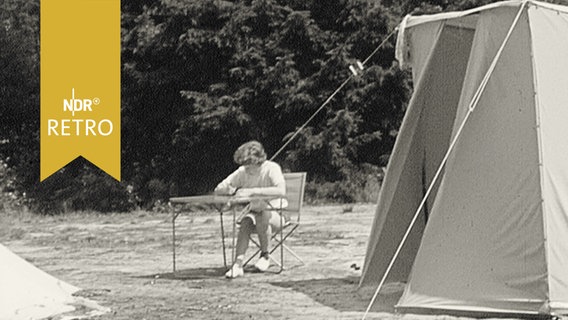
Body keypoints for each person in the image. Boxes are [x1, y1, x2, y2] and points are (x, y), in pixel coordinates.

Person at [214, 140, 287, 278]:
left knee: (262, 215)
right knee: (246, 221)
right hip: (255, 215)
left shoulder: (272, 168)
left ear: (257, 161)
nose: (245, 168)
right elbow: (221, 187)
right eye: (243, 164)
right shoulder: (243, 171)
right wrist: (230, 191)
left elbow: (281, 190)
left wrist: (253, 191)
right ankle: (238, 264)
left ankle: (265, 255)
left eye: (248, 164)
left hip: (278, 215)